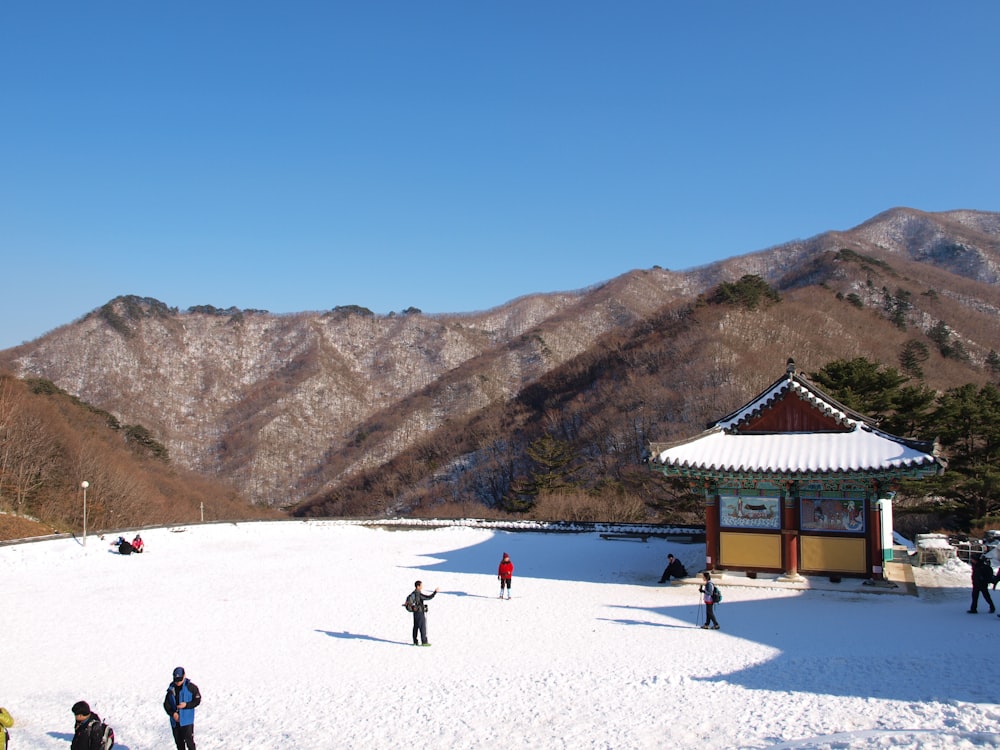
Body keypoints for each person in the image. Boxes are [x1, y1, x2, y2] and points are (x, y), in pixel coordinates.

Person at [164, 666, 201, 750]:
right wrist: (173, 714)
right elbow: (166, 704)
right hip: (175, 721)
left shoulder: (191, 687)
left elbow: (197, 700)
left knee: (190, 743)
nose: (178, 682)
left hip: (187, 721)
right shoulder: (171, 689)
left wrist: (186, 705)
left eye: (180, 680)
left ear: (184, 676)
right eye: (176, 680)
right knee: (179, 743)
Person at [409, 580, 439, 646]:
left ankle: (415, 641)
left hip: (415, 613)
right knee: (422, 627)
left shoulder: (413, 593)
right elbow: (428, 597)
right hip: (420, 613)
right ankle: (424, 642)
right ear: (418, 586)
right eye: (421, 585)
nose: (422, 587)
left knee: (415, 627)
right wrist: (435, 592)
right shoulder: (418, 594)